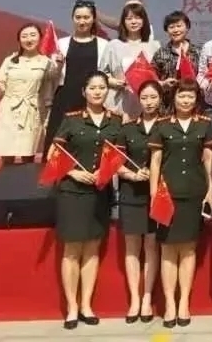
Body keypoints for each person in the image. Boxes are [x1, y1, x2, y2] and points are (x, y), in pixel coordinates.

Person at [50, 71, 123, 329]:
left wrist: (106, 171)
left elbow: (119, 155)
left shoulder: (116, 120)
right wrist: (73, 172)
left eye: (102, 87)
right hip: (72, 191)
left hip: (100, 191)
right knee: (72, 250)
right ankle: (71, 307)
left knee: (92, 249)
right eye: (92, 88)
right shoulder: (71, 120)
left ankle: (86, 305)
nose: (97, 92)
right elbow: (54, 154)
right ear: (84, 92)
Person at [148, 79, 212, 329]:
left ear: (196, 99)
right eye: (181, 96)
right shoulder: (162, 125)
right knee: (167, 249)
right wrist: (154, 194)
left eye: (190, 96)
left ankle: (184, 302)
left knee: (188, 249)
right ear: (173, 98)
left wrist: (211, 190)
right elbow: (155, 162)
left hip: (194, 192)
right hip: (168, 193)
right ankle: (169, 304)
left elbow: (208, 159)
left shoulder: (204, 125)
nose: (186, 101)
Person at [117, 80, 162, 323]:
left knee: (152, 246)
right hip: (131, 193)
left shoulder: (167, 126)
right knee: (132, 248)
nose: (149, 102)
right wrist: (132, 175)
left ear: (160, 99)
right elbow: (115, 162)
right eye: (144, 97)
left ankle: (147, 297)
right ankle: (134, 298)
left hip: (157, 195)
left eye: (153, 97)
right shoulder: (127, 129)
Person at [43, 1, 111, 158]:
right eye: (78, 17)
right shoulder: (61, 44)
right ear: (72, 18)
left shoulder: (104, 45)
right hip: (65, 98)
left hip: (93, 99)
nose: (82, 21)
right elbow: (52, 76)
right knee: (58, 144)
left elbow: (106, 74)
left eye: (86, 17)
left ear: (93, 19)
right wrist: (58, 65)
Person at [0, 23, 57, 164]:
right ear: (19, 40)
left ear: (40, 38)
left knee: (28, 155)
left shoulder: (47, 63)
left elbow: (49, 90)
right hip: (9, 110)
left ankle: (26, 179)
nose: (29, 39)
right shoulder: (9, 61)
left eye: (33, 35)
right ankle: (7, 178)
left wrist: (47, 117)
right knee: (7, 155)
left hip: (32, 112)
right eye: (24, 36)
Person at [104, 2, 162, 119]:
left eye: (137, 18)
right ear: (123, 22)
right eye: (129, 18)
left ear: (144, 21)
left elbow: (159, 75)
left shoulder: (154, 46)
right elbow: (102, 74)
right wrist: (115, 82)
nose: (133, 22)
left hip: (147, 105)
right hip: (118, 104)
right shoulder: (113, 45)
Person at [152, 11, 201, 106]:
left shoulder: (198, 51)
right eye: (171, 27)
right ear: (166, 30)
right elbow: (151, 77)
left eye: (179, 26)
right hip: (168, 104)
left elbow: (205, 76)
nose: (175, 30)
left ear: (187, 27)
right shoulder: (161, 53)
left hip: (193, 103)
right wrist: (162, 84)